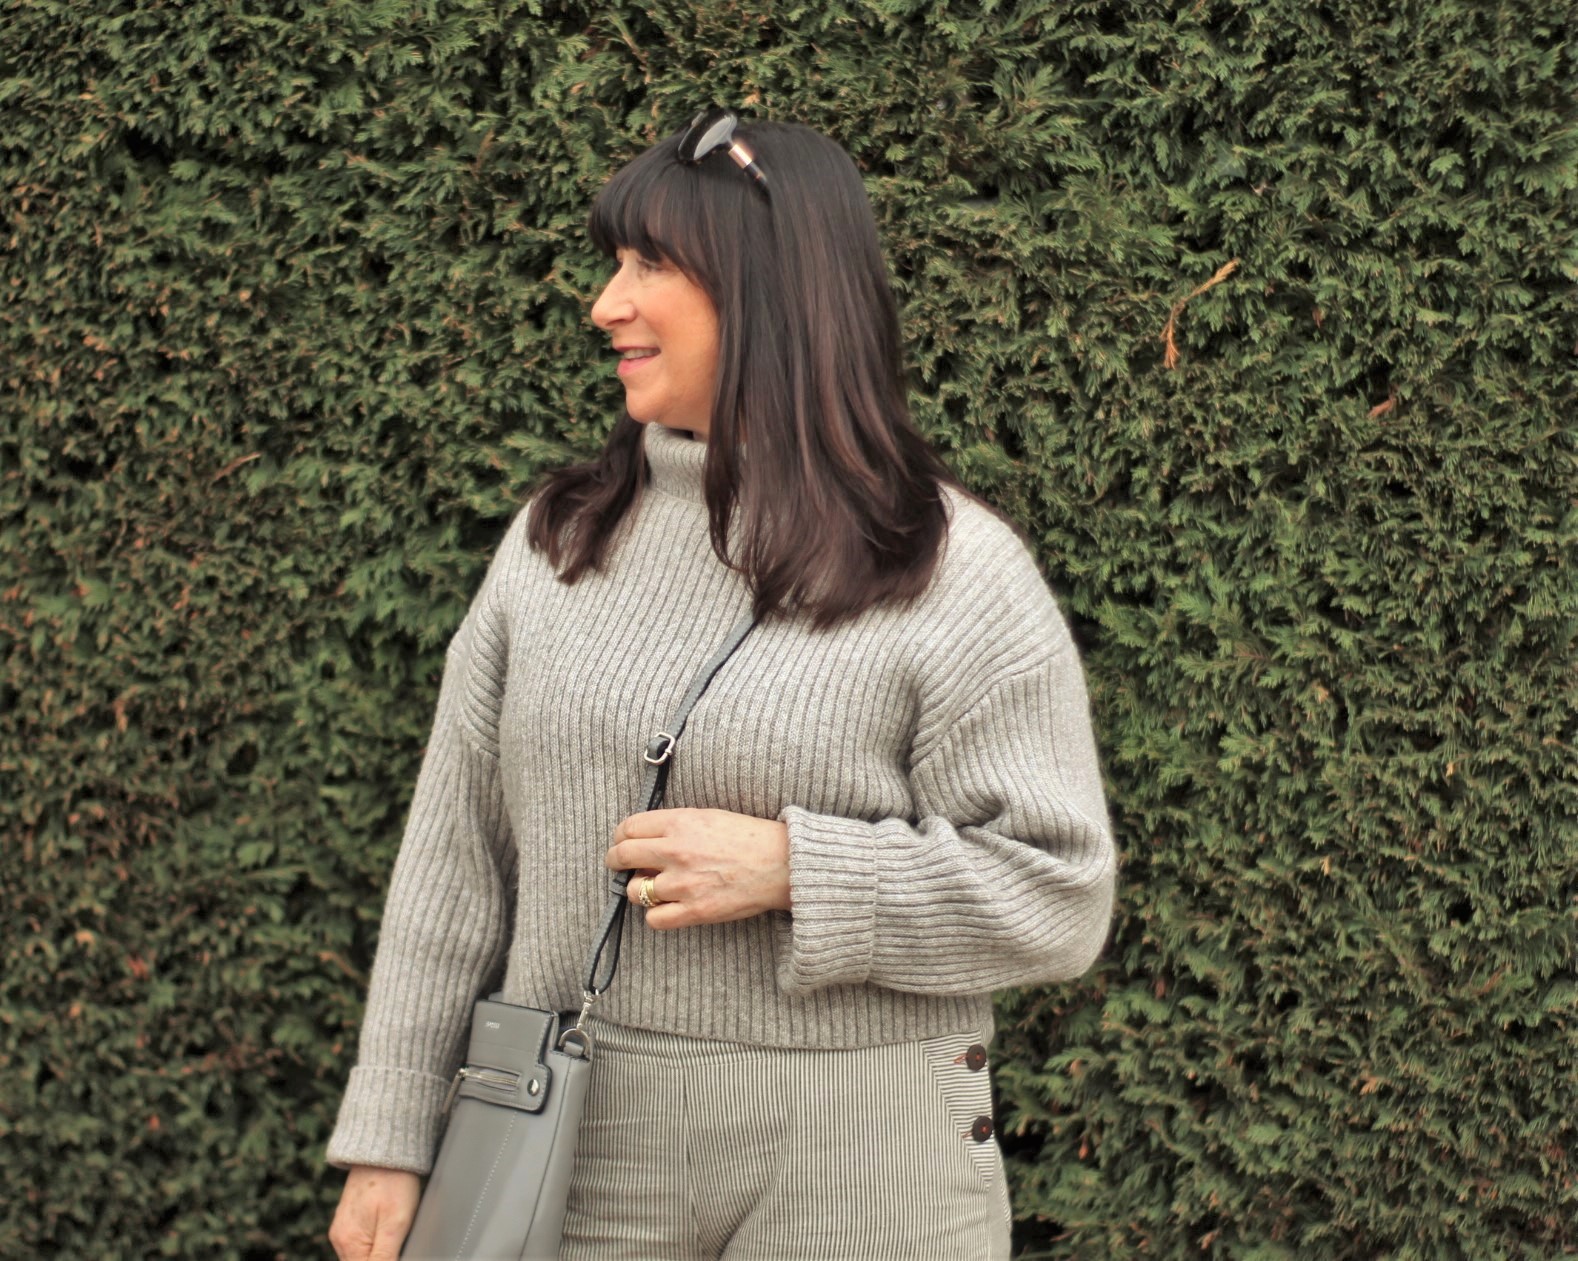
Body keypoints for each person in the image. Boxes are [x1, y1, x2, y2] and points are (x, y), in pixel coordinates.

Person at [327, 110, 1117, 1261]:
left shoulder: (954, 568)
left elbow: (1060, 892)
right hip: (570, 1139)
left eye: (650, 264)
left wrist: (798, 869)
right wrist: (390, 1139)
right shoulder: (557, 543)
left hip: (870, 1152)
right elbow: (454, 856)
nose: (606, 303)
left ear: (768, 288)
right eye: (615, 264)